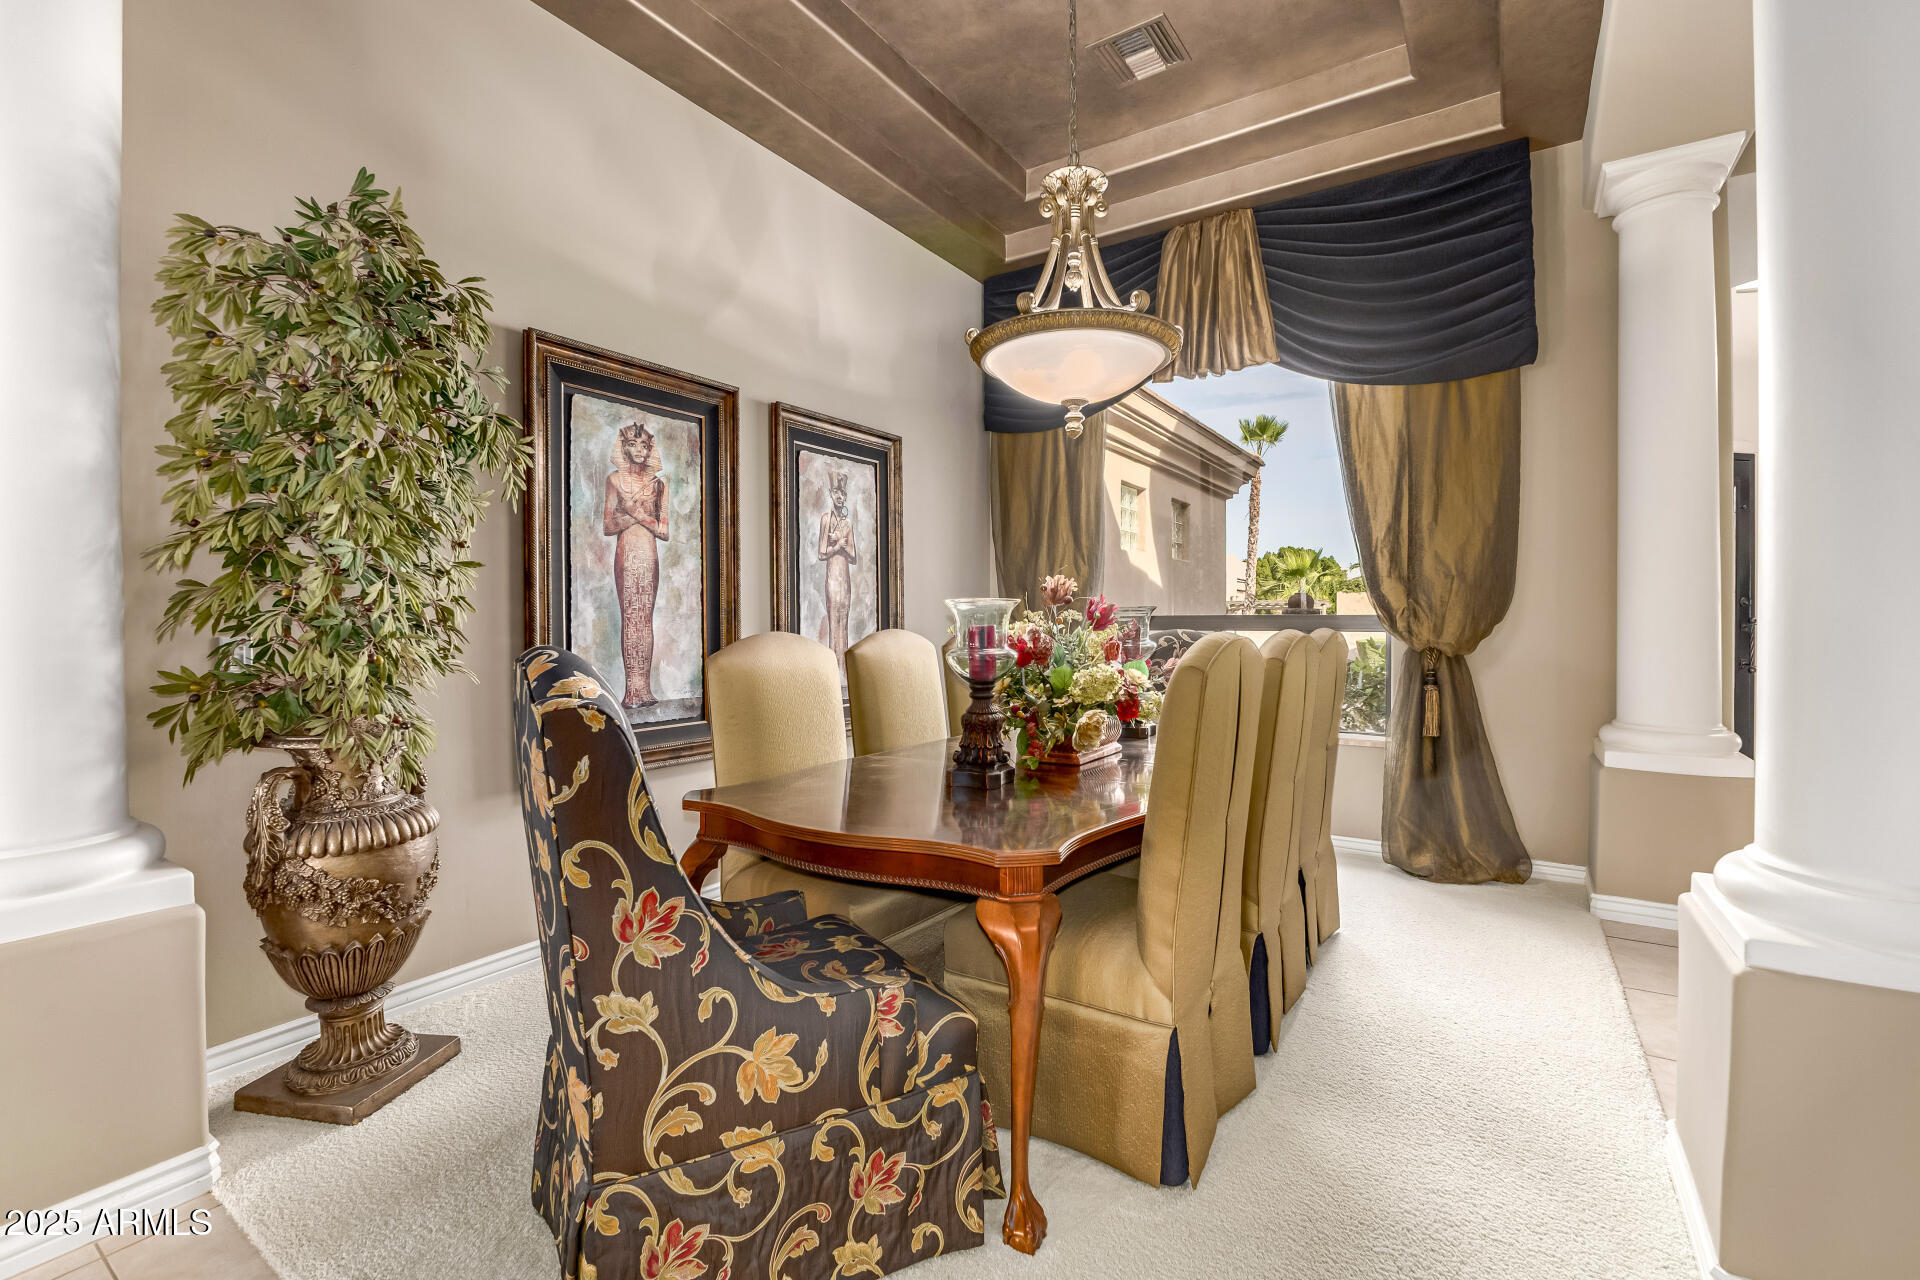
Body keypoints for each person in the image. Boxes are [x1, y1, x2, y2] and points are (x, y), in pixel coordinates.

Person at [602, 423, 668, 707]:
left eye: (644, 446)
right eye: (633, 445)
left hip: (648, 553)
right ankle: (631, 691)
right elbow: (608, 526)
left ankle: (645, 689)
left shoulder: (658, 484)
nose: (639, 450)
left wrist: (637, 512)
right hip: (627, 552)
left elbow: (664, 531)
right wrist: (631, 515)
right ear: (624, 448)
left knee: (646, 619)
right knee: (631, 618)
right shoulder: (615, 480)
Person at [816, 469, 857, 671]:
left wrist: (842, 544)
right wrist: (838, 545)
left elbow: (854, 556)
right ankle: (834, 669)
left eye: (842, 493)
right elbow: (822, 553)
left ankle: (844, 670)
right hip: (832, 578)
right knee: (834, 620)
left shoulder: (848, 523)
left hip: (845, 579)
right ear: (831, 494)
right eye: (836, 492)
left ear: (845, 496)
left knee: (845, 620)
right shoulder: (826, 519)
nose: (839, 496)